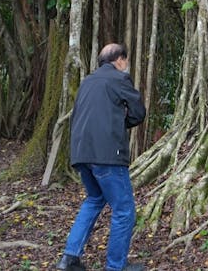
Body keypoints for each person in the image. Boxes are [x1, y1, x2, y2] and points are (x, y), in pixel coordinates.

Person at [55, 44, 146, 271]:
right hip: (107, 155)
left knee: (95, 199)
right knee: (124, 210)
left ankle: (69, 258)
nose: (126, 66)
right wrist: (121, 123)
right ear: (119, 59)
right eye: (126, 61)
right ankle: (116, 267)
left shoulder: (87, 82)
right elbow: (138, 112)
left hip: (81, 154)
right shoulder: (118, 79)